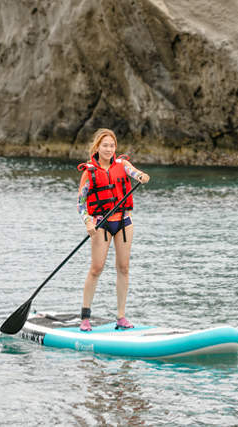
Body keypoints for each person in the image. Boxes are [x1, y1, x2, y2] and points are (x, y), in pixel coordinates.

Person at [76, 128, 150, 331]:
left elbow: (136, 174)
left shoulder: (123, 165)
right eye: (105, 145)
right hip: (102, 224)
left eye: (112, 145)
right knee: (96, 268)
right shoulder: (89, 172)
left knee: (124, 267)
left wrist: (142, 176)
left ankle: (121, 317)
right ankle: (85, 317)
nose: (109, 149)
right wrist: (88, 223)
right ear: (97, 147)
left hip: (124, 222)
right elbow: (81, 204)